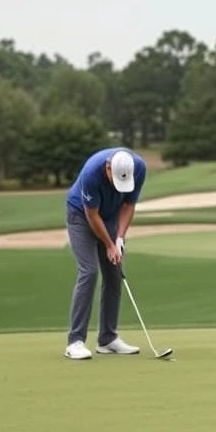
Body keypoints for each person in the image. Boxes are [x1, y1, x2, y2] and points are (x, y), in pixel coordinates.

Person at [63, 147, 147, 360]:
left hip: (110, 217)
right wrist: (109, 244)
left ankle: (108, 339)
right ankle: (75, 341)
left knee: (114, 272)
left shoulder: (138, 167)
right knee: (89, 271)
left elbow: (128, 205)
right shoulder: (92, 172)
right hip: (81, 215)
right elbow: (91, 215)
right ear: (108, 168)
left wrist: (119, 239)